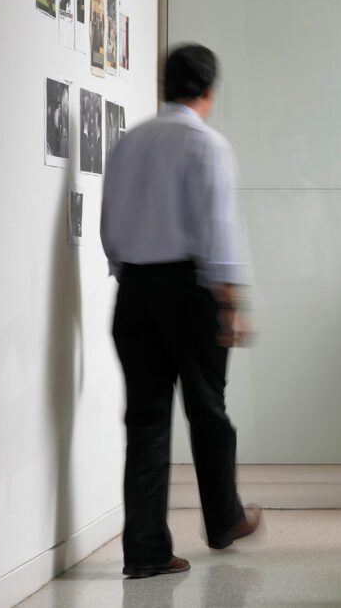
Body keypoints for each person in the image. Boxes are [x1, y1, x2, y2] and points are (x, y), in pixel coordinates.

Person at [101, 44, 261, 579]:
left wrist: (131, 278)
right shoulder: (205, 144)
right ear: (209, 91)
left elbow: (111, 229)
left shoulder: (129, 141)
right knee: (208, 410)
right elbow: (218, 230)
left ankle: (145, 552)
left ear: (163, 85)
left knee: (146, 422)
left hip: (134, 290)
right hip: (190, 289)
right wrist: (229, 302)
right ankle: (223, 520)